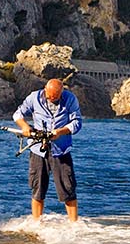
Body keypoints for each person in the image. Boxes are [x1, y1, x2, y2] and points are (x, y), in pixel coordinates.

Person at [13, 77, 83, 221]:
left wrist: (60, 132)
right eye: (50, 96)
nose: (52, 99)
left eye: (56, 97)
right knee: (37, 189)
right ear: (45, 89)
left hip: (61, 150)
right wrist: (25, 127)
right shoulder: (34, 97)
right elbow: (17, 114)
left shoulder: (70, 99)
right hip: (38, 149)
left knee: (68, 190)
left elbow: (77, 123)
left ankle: (74, 226)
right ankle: (36, 223)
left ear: (62, 93)